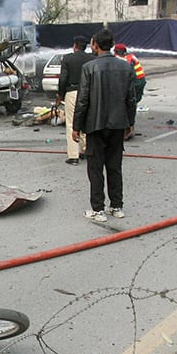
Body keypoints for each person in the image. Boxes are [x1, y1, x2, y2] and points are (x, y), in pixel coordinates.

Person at [73, 29, 137, 224]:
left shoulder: (89, 67)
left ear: (95, 45)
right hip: (118, 123)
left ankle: (98, 209)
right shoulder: (126, 68)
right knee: (114, 166)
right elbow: (131, 99)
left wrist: (76, 126)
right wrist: (130, 122)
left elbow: (83, 100)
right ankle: (117, 206)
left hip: (95, 124)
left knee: (95, 167)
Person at [56, 35, 93, 165]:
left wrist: (60, 95)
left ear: (75, 45)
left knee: (71, 122)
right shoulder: (92, 59)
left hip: (72, 92)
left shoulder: (67, 59)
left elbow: (63, 79)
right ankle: (85, 151)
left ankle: (73, 156)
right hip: (88, 93)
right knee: (86, 121)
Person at [113, 43, 146, 109]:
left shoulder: (119, 60)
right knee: (134, 101)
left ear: (115, 52)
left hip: (134, 82)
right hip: (141, 81)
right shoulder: (132, 57)